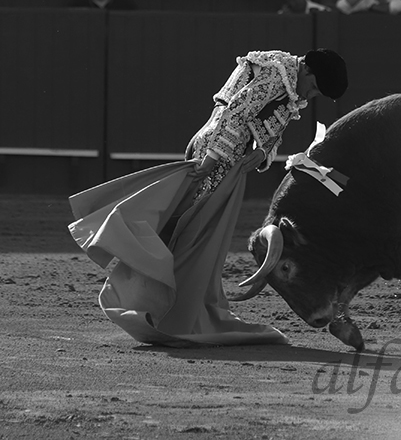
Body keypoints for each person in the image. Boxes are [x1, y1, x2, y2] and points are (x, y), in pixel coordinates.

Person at [68, 47, 348, 346]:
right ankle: (173, 310)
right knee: (195, 234)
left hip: (226, 156)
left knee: (202, 233)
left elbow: (265, 127)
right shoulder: (276, 77)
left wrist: (263, 151)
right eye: (315, 87)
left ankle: (173, 305)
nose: (311, 94)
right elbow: (235, 113)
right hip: (218, 155)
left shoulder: (286, 79)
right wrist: (213, 159)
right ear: (306, 70)